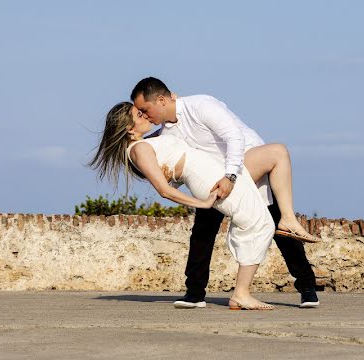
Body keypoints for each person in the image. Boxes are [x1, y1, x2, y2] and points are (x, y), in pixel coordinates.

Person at [131, 77, 322, 309]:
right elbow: (181, 166)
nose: (144, 115)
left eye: (145, 109)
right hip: (213, 178)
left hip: (246, 164)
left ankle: (307, 287)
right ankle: (194, 293)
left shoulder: (201, 105)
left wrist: (230, 176)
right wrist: (169, 180)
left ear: (161, 100)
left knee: (276, 224)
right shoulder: (166, 135)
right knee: (203, 230)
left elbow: (234, 137)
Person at [91, 102, 277, 310]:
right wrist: (203, 203)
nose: (144, 115)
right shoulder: (139, 149)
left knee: (259, 221)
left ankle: (242, 293)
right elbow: (164, 190)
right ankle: (241, 294)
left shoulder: (146, 143)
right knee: (259, 223)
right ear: (128, 127)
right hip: (205, 177)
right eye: (138, 114)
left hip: (212, 170)